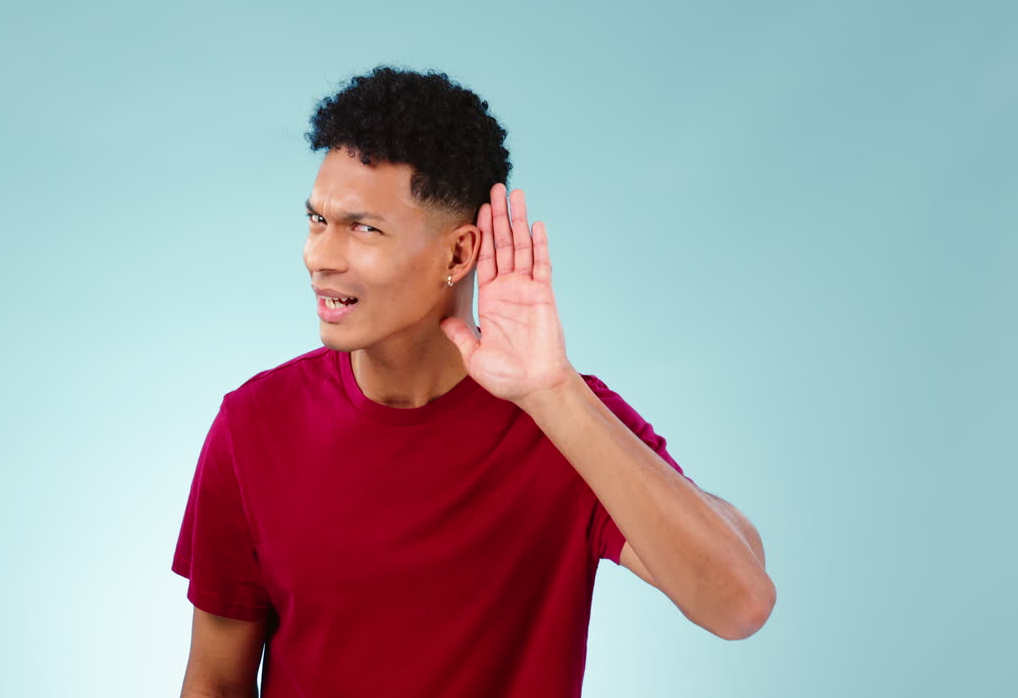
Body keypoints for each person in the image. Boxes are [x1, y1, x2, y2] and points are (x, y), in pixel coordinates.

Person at [173, 65, 774, 698]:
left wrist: (553, 394)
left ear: (459, 255)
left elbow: (738, 604)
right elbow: (215, 680)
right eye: (317, 220)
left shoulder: (565, 419)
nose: (319, 256)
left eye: (363, 228)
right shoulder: (254, 424)